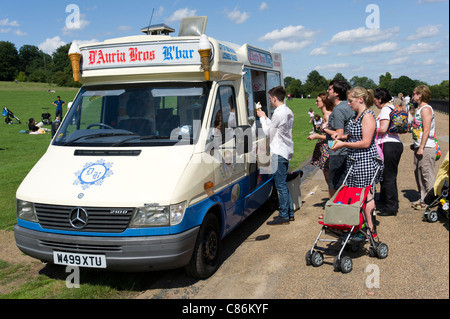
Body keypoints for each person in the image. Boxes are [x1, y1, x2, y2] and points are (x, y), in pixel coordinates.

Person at [331, 87, 383, 237]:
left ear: (361, 99)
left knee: (366, 195)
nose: (348, 103)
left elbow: (366, 142)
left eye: (350, 100)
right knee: (355, 195)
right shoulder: (356, 115)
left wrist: (344, 144)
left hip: (365, 160)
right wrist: (341, 137)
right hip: (355, 160)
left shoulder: (368, 116)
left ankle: (370, 229)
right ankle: (359, 226)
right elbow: (354, 135)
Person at [257, 86, 295, 225]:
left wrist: (262, 118)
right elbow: (275, 128)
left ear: (274, 98)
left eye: (270, 98)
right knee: (283, 184)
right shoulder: (287, 111)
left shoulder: (278, 113)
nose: (270, 101)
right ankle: (289, 213)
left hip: (278, 152)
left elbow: (268, 132)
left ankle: (284, 215)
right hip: (284, 151)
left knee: (280, 185)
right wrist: (266, 117)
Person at [374, 88, 404, 216]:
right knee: (387, 175)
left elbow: (383, 129)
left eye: (375, 99)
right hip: (392, 143)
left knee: (389, 177)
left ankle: (391, 207)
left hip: (388, 144)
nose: (374, 102)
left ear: (380, 99)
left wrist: (370, 129)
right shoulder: (392, 107)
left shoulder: (386, 109)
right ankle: (386, 200)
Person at [324, 79, 353, 197]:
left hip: (338, 151)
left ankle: (334, 209)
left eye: (330, 89)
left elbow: (339, 134)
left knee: (334, 183)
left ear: (336, 93)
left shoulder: (339, 109)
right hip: (346, 150)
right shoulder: (348, 105)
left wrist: (324, 128)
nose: (327, 91)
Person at [410, 85, 437, 210]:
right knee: (418, 172)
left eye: (414, 93)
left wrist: (421, 146)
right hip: (419, 145)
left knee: (427, 173)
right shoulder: (419, 109)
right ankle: (423, 198)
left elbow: (426, 130)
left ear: (420, 94)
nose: (413, 95)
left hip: (426, 146)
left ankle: (430, 201)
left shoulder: (426, 109)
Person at [308, 93, 334, 197]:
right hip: (323, 149)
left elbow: (333, 136)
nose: (316, 103)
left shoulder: (328, 116)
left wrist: (316, 136)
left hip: (327, 149)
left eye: (318, 101)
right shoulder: (324, 116)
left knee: (330, 180)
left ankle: (333, 203)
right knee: (328, 180)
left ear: (324, 102)